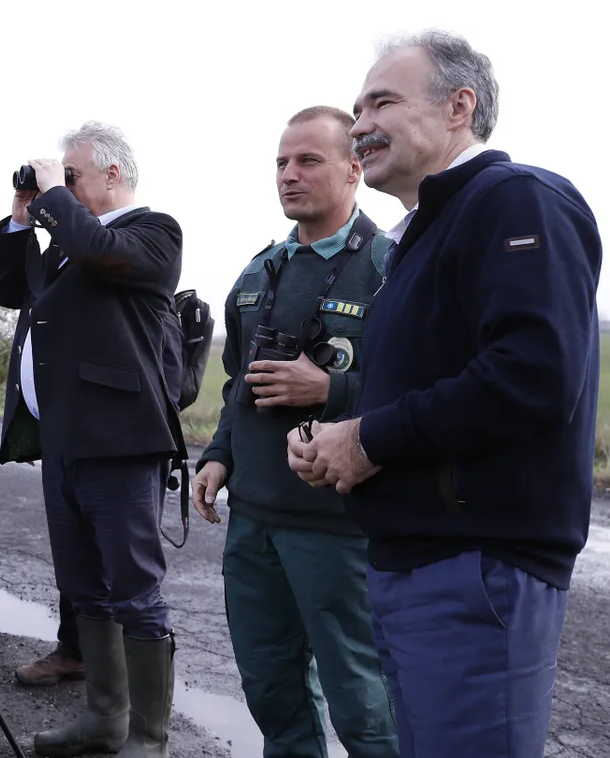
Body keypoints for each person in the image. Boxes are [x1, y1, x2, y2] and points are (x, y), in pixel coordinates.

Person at [287, 30, 602, 758]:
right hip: (416, 560)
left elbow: (532, 376)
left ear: (459, 106)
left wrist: (368, 440)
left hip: (476, 566)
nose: (359, 125)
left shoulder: (515, 200)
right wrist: (339, 439)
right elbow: (426, 384)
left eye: (381, 103)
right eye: (357, 109)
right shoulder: (422, 234)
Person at [193, 105, 399, 758]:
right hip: (253, 521)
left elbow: (421, 390)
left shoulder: (389, 266)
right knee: (272, 693)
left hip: (340, 527)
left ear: (354, 168)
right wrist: (218, 455)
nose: (288, 174)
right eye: (281, 162)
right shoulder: (259, 271)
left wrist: (330, 390)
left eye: (308, 160)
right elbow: (238, 383)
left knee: (364, 706)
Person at [0, 120, 185, 758]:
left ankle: (147, 739)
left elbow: (102, 252)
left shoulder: (153, 232)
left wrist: (55, 200)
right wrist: (22, 218)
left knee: (134, 589)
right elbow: (9, 290)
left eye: (70, 175)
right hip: (65, 441)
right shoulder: (69, 243)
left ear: (113, 174)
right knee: (83, 584)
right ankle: (104, 718)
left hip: (121, 442)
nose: (62, 185)